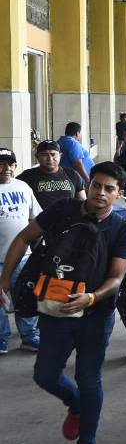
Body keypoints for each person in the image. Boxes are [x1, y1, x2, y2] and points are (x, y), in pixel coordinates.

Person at [2, 162, 126, 444]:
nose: (100, 193)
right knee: (45, 374)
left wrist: (91, 297)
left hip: (95, 316)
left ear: (118, 195)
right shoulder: (63, 210)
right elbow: (24, 237)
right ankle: (76, 404)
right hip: (54, 311)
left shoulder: (122, 228)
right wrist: (5, 278)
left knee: (89, 379)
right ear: (89, 186)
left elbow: (117, 277)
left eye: (109, 189)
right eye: (97, 186)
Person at [0, 147, 41, 353]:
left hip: (23, 256)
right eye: (1, 163)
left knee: (26, 296)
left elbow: (37, 217)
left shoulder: (23, 187)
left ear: (15, 166)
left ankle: (29, 336)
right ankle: (1, 339)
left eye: (10, 163)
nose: (6, 168)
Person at [20, 140, 86, 211]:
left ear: (60, 155)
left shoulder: (72, 174)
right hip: (40, 221)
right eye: (44, 155)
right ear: (37, 157)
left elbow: (82, 202)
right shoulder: (27, 177)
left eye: (53, 154)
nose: (50, 159)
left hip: (69, 220)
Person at [57, 122, 94, 188]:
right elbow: (78, 163)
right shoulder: (73, 143)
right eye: (80, 133)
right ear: (77, 133)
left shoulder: (60, 141)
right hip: (78, 181)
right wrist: (87, 180)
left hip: (68, 178)